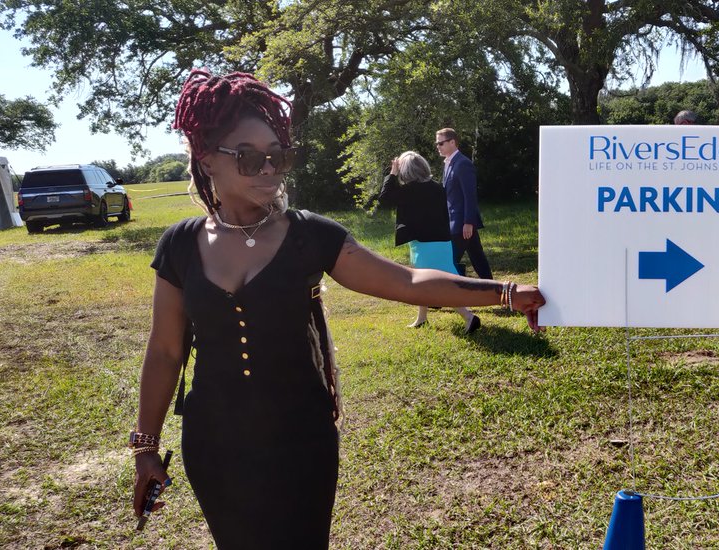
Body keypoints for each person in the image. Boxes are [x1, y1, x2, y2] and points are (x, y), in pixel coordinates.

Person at [130, 69, 544, 548]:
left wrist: (506, 292)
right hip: (214, 446)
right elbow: (163, 352)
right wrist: (146, 448)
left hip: (300, 440)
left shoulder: (309, 235)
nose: (269, 170)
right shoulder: (180, 245)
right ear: (205, 158)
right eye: (249, 158)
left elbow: (407, 280)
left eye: (278, 156)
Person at [377, 151, 481, 332]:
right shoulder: (437, 187)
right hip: (441, 241)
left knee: (434, 284)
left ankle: (468, 316)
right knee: (428, 280)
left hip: (424, 244)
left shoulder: (409, 191)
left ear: (407, 171)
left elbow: (384, 198)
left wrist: (392, 174)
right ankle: (422, 318)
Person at [435, 128, 493, 280]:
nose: (438, 147)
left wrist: (468, 222)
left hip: (461, 225)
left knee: (449, 261)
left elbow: (470, 196)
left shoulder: (463, 164)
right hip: (455, 222)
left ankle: (441, 299)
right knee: (477, 257)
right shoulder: (448, 163)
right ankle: (495, 291)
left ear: (452, 142)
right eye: (437, 143)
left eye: (441, 143)